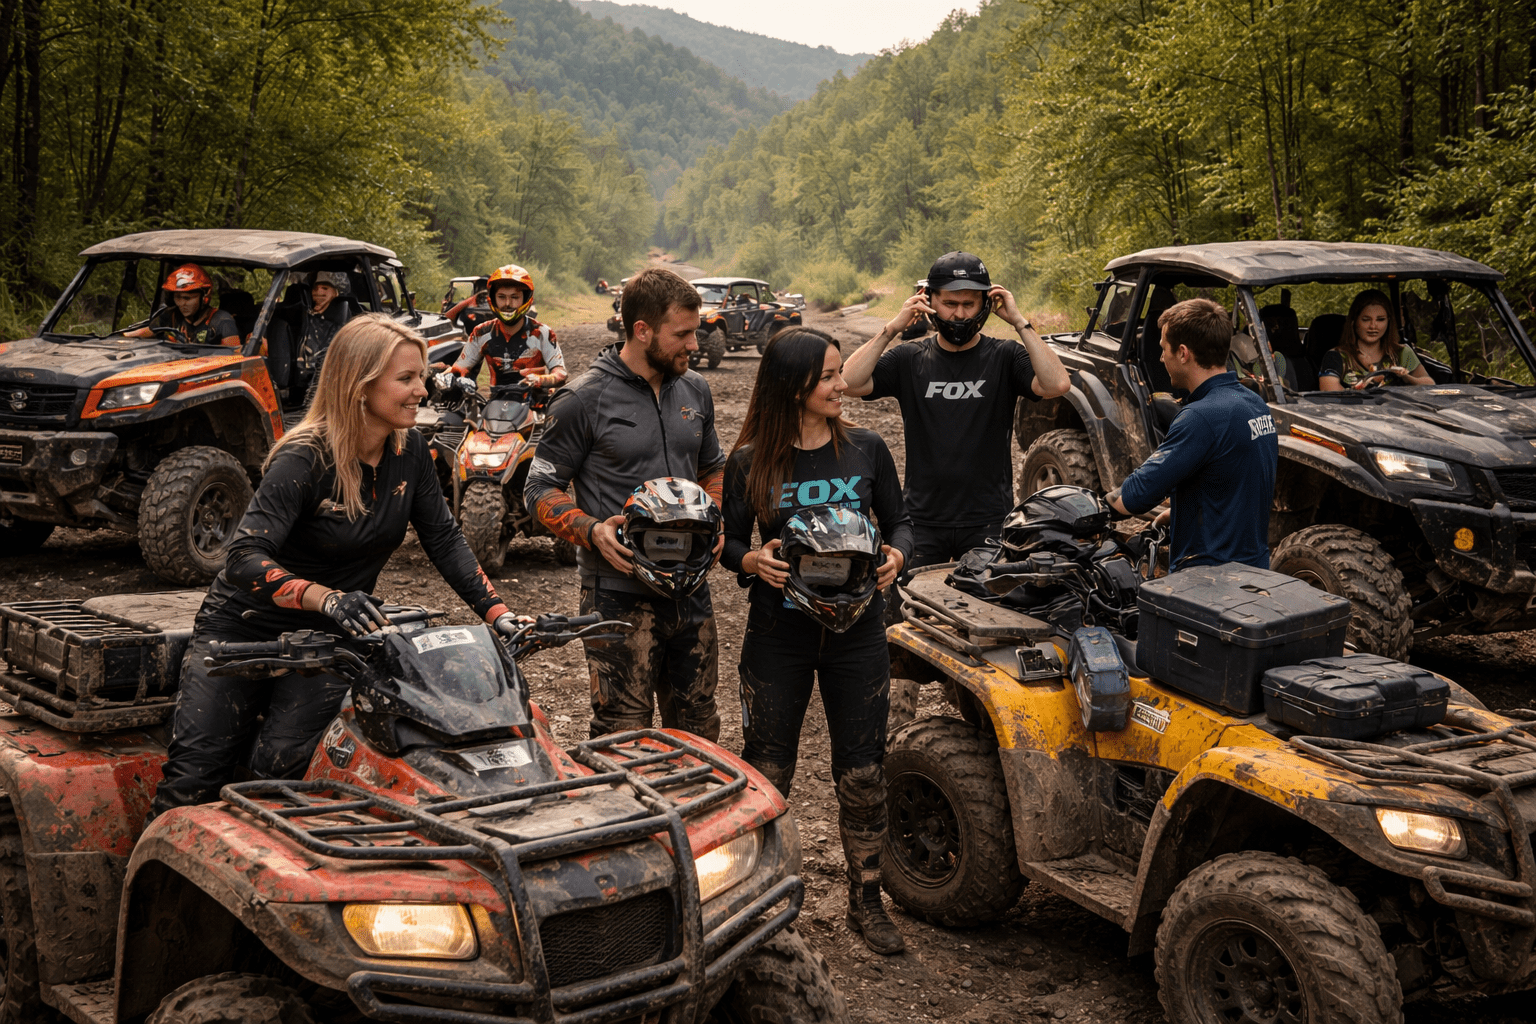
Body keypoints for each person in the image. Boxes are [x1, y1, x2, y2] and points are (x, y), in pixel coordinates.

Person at [152, 315, 515, 815]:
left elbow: (446, 541)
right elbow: (241, 558)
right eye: (406, 379)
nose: (422, 392)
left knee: (283, 772)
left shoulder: (411, 453)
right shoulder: (303, 458)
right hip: (244, 629)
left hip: (331, 638)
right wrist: (326, 597)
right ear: (360, 384)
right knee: (195, 774)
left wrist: (499, 614)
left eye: (422, 378)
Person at [722, 327, 913, 955]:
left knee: (861, 771)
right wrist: (751, 562)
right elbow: (727, 543)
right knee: (768, 770)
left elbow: (902, 521)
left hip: (859, 634)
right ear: (792, 386)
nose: (841, 384)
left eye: (840, 374)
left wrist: (895, 557)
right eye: (828, 375)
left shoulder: (868, 448)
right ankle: (759, 898)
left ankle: (866, 898)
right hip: (779, 635)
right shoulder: (751, 460)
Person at [525, 267, 725, 740]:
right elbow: (538, 489)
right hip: (617, 592)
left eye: (695, 332)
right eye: (682, 334)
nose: (693, 345)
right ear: (642, 330)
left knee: (699, 727)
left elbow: (712, 467)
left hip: (690, 587)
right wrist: (591, 530)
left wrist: (716, 519)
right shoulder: (581, 399)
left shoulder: (695, 388)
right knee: (623, 735)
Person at [842, 251, 1071, 570]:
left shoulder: (1004, 357)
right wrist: (892, 328)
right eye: (950, 304)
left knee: (985, 614)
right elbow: (847, 382)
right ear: (929, 301)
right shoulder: (909, 359)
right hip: (921, 521)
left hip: (988, 521)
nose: (959, 314)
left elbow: (1058, 384)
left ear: (985, 305)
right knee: (911, 614)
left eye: (969, 304)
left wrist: (1020, 322)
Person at [1106, 298, 1278, 570]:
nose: (1161, 357)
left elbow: (1138, 495)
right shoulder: (1254, 403)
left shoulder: (1200, 417)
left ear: (1183, 353)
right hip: (1253, 568)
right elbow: (1233, 485)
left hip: (1207, 581)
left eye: (1164, 349)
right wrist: (1178, 514)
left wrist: (1098, 507)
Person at [442, 265, 566, 389]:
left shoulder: (542, 333)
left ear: (526, 298)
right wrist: (444, 377)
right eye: (501, 297)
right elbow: (459, 368)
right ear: (493, 299)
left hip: (535, 404)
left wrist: (539, 379)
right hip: (496, 403)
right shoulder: (481, 332)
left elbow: (560, 373)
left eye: (514, 297)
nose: (507, 304)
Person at [1319, 289, 1434, 390]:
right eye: (1366, 319)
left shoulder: (1402, 352)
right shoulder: (1336, 357)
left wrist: (1407, 378)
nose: (1373, 326)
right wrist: (1361, 388)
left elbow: (1430, 384)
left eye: (1380, 319)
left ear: (1388, 322)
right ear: (1354, 322)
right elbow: (1328, 391)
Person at [126, 264, 240, 346]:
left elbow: (234, 358)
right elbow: (146, 332)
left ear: (205, 297)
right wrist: (122, 337)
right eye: (178, 298)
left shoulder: (222, 321)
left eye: (187, 298)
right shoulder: (171, 315)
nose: (182, 304)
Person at [289, 270, 354, 401]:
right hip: (301, 383)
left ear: (336, 293)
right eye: (315, 288)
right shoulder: (305, 316)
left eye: (325, 288)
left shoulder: (343, 320)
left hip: (326, 386)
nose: (318, 292)